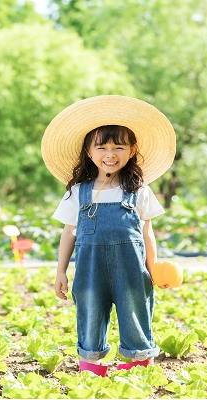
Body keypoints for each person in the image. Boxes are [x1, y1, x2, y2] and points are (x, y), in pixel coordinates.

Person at [41, 95, 176, 376]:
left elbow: (147, 234)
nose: (110, 154)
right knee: (89, 315)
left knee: (136, 314)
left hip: (132, 270)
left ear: (132, 150)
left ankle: (137, 368)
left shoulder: (139, 189)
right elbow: (68, 234)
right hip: (90, 271)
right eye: (101, 147)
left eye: (118, 147)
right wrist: (60, 271)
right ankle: (92, 370)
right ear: (89, 152)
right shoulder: (79, 192)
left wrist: (154, 270)